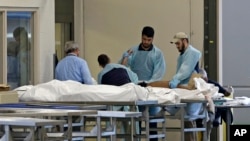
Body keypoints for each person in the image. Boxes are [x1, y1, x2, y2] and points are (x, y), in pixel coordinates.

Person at [120, 26, 166, 141]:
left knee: (152, 121)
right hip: (135, 88)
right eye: (144, 39)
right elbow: (124, 67)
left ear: (152, 39)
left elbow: (158, 73)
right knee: (136, 121)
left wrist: (148, 83)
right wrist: (135, 82)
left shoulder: (157, 53)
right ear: (141, 37)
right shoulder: (133, 51)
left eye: (149, 40)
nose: (146, 42)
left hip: (150, 89)